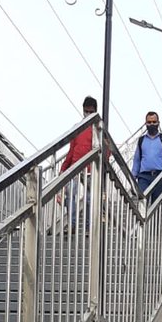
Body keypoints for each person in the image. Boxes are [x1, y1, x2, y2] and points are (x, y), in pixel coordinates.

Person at [59, 96, 97, 231]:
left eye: (90, 112)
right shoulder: (78, 128)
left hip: (91, 168)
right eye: (86, 111)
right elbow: (71, 150)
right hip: (75, 167)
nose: (87, 114)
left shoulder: (98, 128)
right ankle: (72, 223)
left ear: (95, 112)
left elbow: (106, 150)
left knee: (88, 198)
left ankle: (88, 226)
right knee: (70, 196)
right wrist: (64, 168)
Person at [131, 111, 162, 203]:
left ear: (158, 123)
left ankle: (155, 218)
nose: (152, 124)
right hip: (143, 177)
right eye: (149, 122)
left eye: (154, 122)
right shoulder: (141, 140)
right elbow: (137, 160)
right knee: (142, 203)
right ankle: (142, 218)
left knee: (156, 205)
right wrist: (133, 177)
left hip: (160, 177)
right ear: (145, 124)